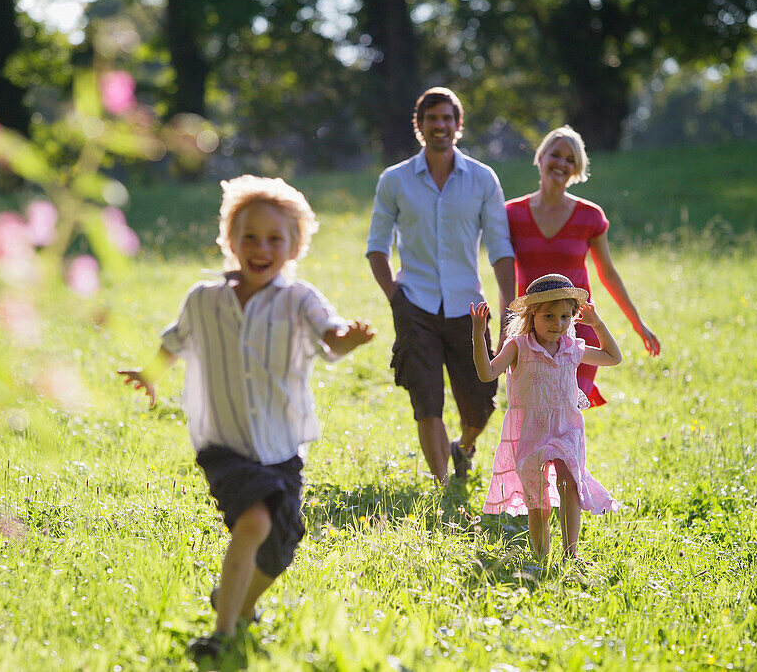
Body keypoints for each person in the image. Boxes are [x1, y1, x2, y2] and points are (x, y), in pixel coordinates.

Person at [118, 175, 375, 661]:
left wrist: (350, 339)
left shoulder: (299, 299)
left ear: (295, 245)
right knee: (254, 523)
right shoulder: (203, 299)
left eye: (274, 238)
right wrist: (150, 374)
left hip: (282, 445)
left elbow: (331, 334)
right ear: (230, 241)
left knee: (280, 547)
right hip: (225, 445)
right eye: (249, 237)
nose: (261, 248)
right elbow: (176, 339)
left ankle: (234, 604)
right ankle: (220, 636)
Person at [366, 87, 515, 483]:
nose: (440, 125)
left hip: (470, 310)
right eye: (432, 118)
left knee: (481, 404)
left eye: (447, 118)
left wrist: (509, 313)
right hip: (415, 303)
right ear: (419, 126)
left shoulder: (483, 179)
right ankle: (444, 485)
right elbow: (377, 248)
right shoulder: (394, 180)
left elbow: (501, 250)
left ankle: (463, 447)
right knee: (426, 402)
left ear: (458, 125)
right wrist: (395, 298)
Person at [471, 274, 623, 561]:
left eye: (566, 316)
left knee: (569, 483)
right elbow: (486, 373)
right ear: (532, 315)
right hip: (531, 431)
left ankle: (571, 554)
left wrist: (598, 324)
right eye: (549, 316)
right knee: (537, 502)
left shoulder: (572, 348)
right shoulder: (518, 346)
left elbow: (612, 357)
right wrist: (479, 334)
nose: (558, 324)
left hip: (566, 427)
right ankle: (541, 557)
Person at [506, 125, 659, 407]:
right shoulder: (511, 214)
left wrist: (638, 324)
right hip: (532, 331)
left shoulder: (590, 216)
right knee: (536, 416)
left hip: (576, 329)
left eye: (570, 159)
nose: (561, 163)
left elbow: (608, 274)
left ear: (577, 169)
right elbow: (501, 271)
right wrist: (505, 331)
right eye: (556, 155)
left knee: (567, 414)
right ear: (540, 158)